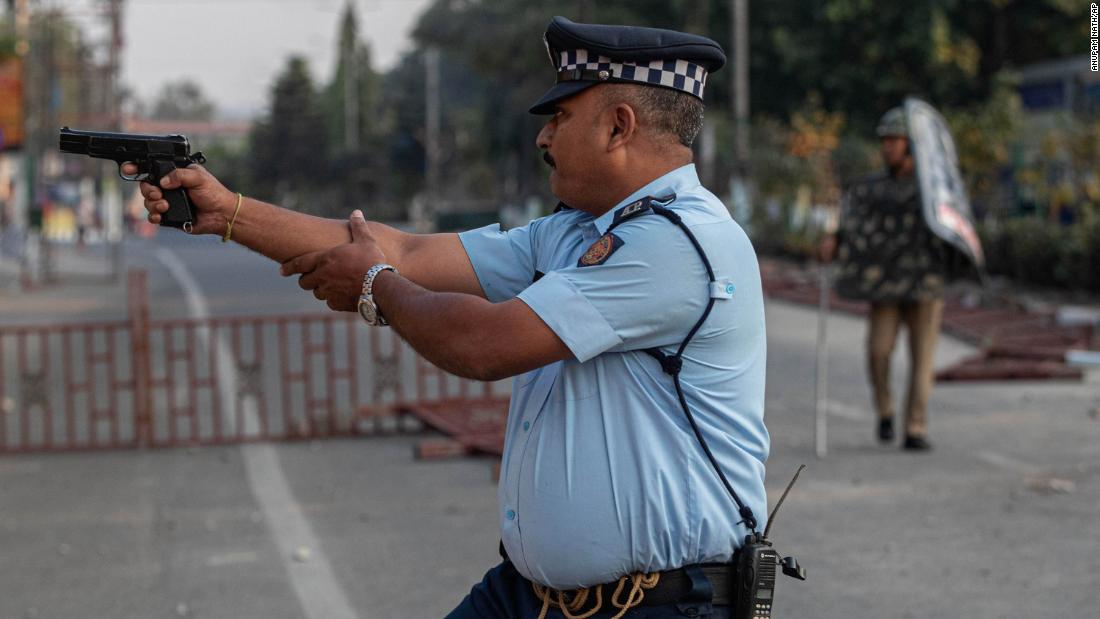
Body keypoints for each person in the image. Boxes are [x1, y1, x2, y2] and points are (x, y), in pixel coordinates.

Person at [136, 16, 768, 618]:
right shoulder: (577, 232)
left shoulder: (675, 245)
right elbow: (405, 251)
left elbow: (484, 345)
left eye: (562, 116)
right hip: (534, 596)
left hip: (657, 606)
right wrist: (227, 213)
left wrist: (375, 286)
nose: (544, 137)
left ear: (618, 126)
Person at [819, 106, 949, 452]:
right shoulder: (873, 187)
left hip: (925, 285)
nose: (888, 147)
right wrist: (835, 238)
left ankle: (915, 428)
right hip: (885, 285)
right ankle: (886, 411)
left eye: (895, 141)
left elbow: (953, 223)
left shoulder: (933, 189)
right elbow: (852, 219)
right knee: (878, 352)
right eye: (885, 141)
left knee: (922, 361)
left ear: (912, 145)